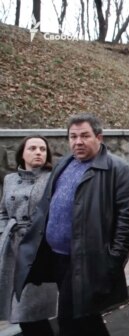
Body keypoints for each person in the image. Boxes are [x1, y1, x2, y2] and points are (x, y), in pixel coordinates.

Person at [14, 114, 129, 336]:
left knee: (69, 320)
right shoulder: (65, 163)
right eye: (73, 136)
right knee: (86, 317)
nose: (77, 142)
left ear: (99, 137)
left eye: (84, 136)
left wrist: (113, 260)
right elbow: (47, 205)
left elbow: (127, 220)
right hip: (57, 257)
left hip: (87, 260)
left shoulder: (117, 170)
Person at [0, 136, 57, 336]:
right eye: (32, 148)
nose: (38, 152)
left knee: (31, 311)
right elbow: (3, 212)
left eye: (42, 149)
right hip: (13, 250)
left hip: (39, 250)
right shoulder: (10, 179)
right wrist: (4, 232)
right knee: (20, 310)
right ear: (22, 153)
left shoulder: (52, 178)